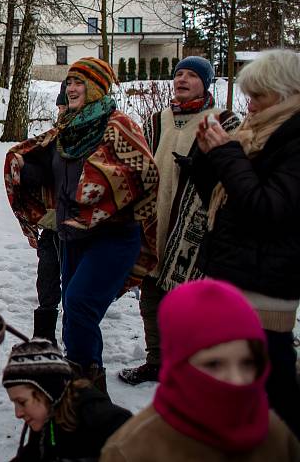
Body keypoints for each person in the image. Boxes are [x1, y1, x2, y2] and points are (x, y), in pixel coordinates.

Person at [4, 57, 159, 392]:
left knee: (78, 304)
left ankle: (90, 391)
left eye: (79, 83)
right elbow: (52, 174)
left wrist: (96, 189)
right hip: (72, 235)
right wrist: (24, 168)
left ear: (96, 87)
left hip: (113, 236)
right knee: (76, 315)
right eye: (69, 82)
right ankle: (80, 391)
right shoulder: (66, 130)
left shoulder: (119, 125)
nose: (71, 88)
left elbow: (143, 173)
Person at [190, 48, 300, 437]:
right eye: (248, 95)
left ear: (287, 94)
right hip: (234, 281)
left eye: (259, 96)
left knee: (272, 403)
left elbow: (267, 210)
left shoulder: (293, 140)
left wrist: (226, 154)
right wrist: (208, 159)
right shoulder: (257, 135)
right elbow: (223, 203)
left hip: (264, 294)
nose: (250, 105)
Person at [119, 56, 240, 385]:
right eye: (179, 74)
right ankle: (156, 359)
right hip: (156, 218)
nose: (182, 80)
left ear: (206, 81)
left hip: (197, 227)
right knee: (151, 293)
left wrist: (202, 170)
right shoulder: (159, 120)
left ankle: (188, 364)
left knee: (190, 301)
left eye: (191, 75)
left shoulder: (223, 121)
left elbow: (237, 173)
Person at [101, 279, 300, 461]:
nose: (236, 379)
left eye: (247, 363)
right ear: (178, 366)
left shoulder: (276, 435)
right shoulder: (133, 450)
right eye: (214, 364)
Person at [3, 338, 131, 462]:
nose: (18, 413)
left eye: (22, 402)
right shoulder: (48, 415)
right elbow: (34, 454)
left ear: (48, 390)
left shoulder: (108, 424)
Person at [32, 80, 67, 344]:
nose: (62, 111)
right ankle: (44, 337)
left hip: (80, 227)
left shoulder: (96, 137)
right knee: (47, 277)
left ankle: (75, 342)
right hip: (52, 223)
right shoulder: (51, 140)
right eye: (60, 106)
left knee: (76, 288)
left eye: (65, 105)